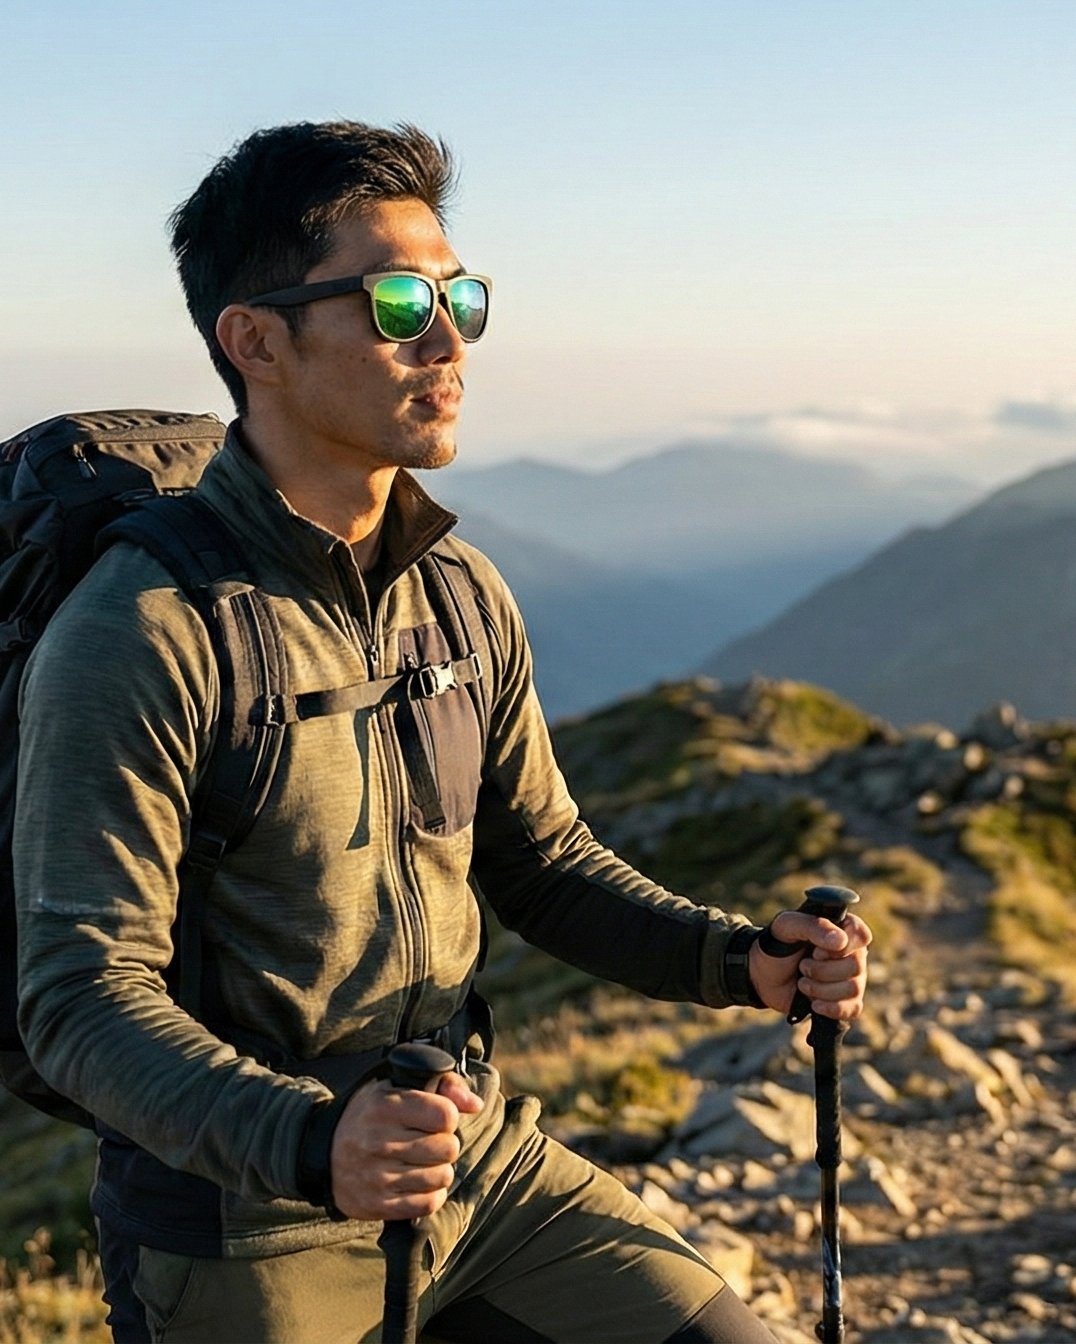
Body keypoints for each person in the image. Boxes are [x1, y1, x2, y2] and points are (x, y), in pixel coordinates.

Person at [14, 122, 870, 1344]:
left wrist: (740, 962)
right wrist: (314, 1141)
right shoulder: (144, 631)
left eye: (458, 294)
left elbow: (541, 864)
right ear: (254, 340)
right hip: (243, 1226)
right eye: (395, 300)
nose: (446, 336)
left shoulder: (455, 592)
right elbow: (81, 996)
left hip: (479, 1163)